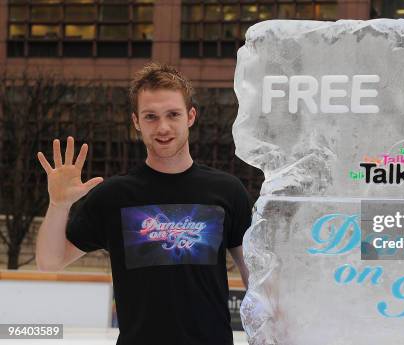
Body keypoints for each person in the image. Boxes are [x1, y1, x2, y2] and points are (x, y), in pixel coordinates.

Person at [34, 62, 252, 345]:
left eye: (172, 114)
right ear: (136, 121)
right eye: (151, 116)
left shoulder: (227, 190)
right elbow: (50, 262)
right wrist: (58, 205)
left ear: (190, 116)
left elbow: (256, 281)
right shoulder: (114, 196)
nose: (163, 127)